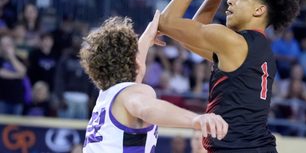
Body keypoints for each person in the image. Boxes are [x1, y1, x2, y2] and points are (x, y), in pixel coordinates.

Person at [159, 0, 300, 153]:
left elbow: (165, 22)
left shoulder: (231, 42)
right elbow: (190, 40)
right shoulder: (258, 49)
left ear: (259, 10)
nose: (230, 0)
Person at [80, 10, 228, 153]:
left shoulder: (106, 96)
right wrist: (196, 119)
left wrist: (147, 35)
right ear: (135, 61)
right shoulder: (131, 93)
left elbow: (138, 54)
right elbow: (145, 108)